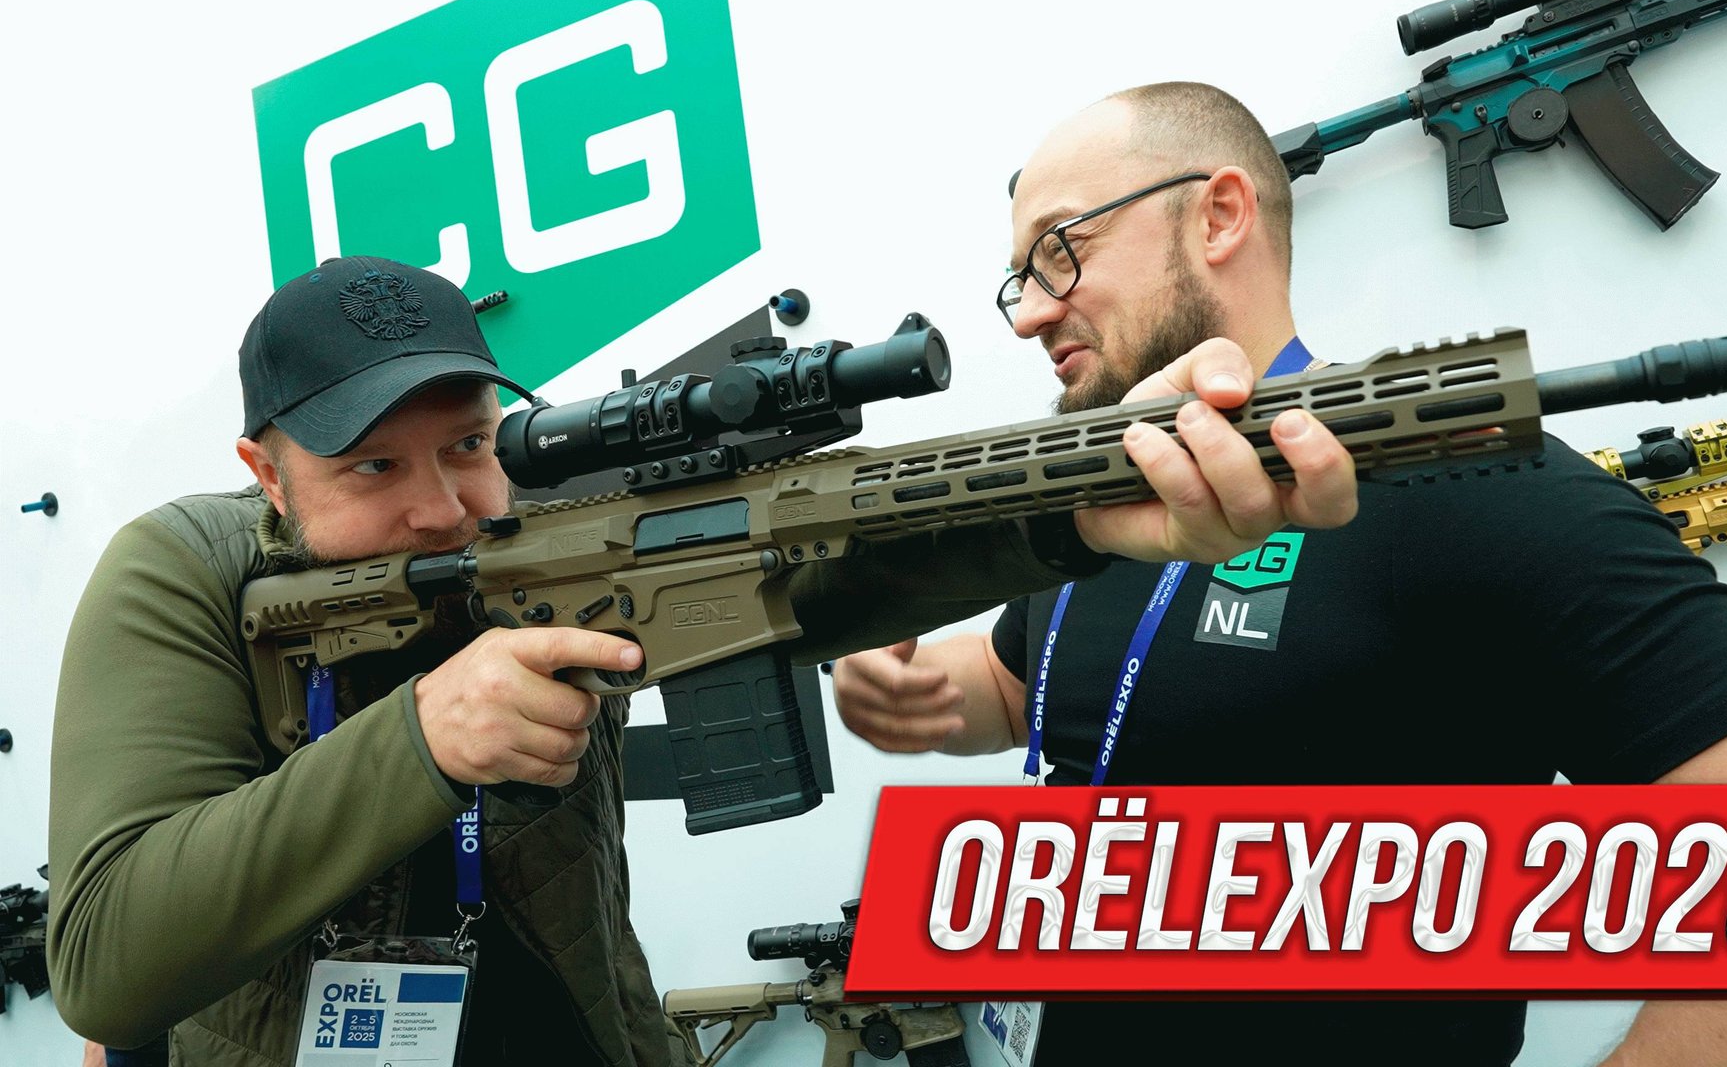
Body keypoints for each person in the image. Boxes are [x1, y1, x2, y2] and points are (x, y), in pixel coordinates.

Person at [832, 83, 1727, 1064]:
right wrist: (902, 675)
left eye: (1060, 251)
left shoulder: (1472, 484)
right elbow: (1029, 686)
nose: (1030, 311)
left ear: (1219, 216)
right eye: (1018, 279)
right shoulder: (1094, 496)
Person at [46, 253, 1358, 1066]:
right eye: (371, 468)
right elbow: (108, 959)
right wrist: (421, 742)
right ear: (264, 470)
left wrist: (1075, 506)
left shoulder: (541, 529)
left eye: (467, 446)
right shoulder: (187, 574)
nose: (441, 507)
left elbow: (821, 562)